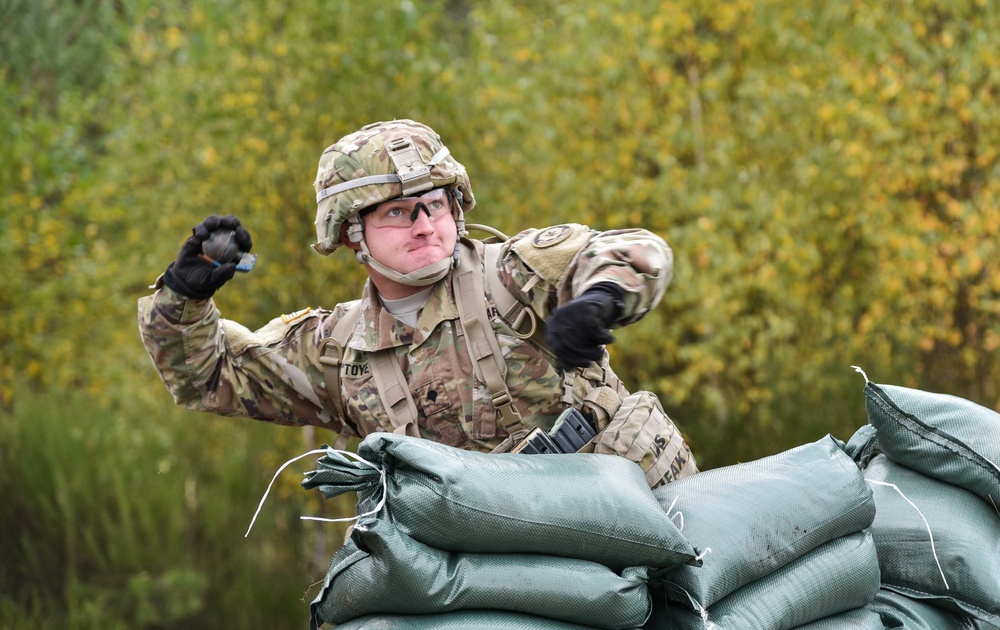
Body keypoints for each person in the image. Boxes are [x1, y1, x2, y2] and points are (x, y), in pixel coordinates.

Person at [138, 119, 697, 488]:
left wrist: (598, 299)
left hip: (620, 504)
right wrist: (184, 296)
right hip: (495, 566)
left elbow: (635, 251)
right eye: (400, 213)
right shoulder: (336, 353)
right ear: (352, 233)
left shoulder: (516, 274)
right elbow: (209, 377)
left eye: (436, 205)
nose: (427, 225)